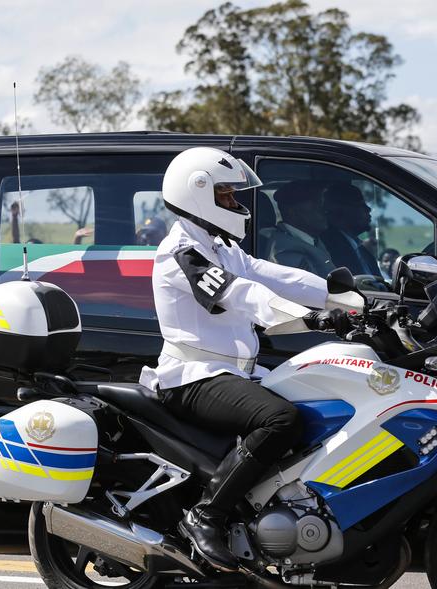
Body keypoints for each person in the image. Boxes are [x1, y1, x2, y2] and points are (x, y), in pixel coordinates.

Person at [139, 147, 352, 572]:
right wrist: (311, 317)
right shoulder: (181, 253)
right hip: (191, 377)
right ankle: (208, 514)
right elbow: (242, 294)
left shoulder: (219, 247)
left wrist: (343, 296)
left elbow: (271, 275)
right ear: (197, 192)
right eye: (227, 196)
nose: (236, 205)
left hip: (235, 372)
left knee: (319, 404)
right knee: (281, 420)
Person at [267, 181, 335, 276]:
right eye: (315, 204)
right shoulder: (285, 251)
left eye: (322, 204)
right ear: (291, 211)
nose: (324, 210)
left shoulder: (310, 240)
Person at [321, 183, 382, 276]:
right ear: (339, 209)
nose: (368, 209)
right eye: (361, 204)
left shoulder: (360, 249)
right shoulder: (329, 248)